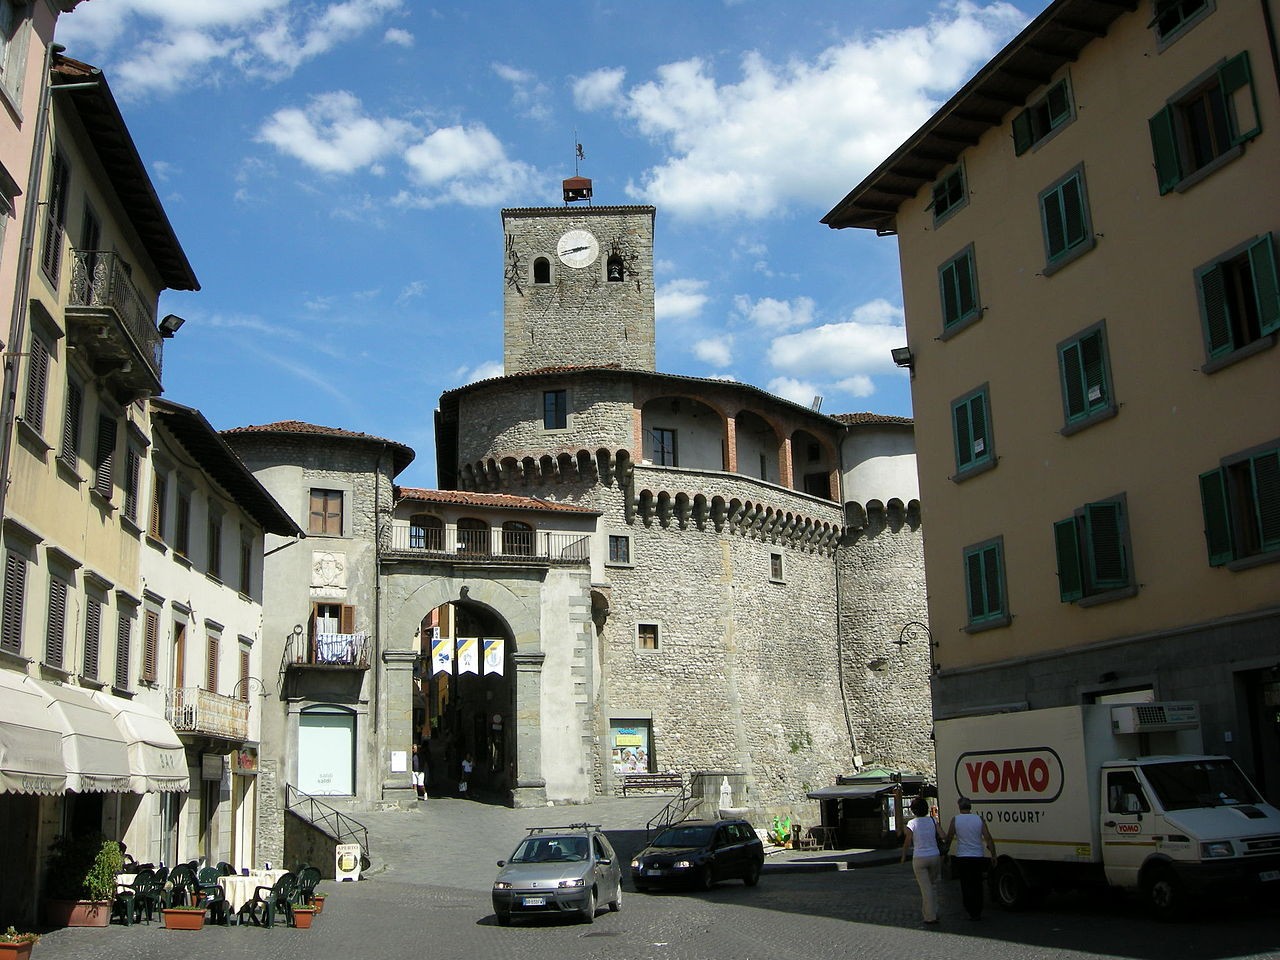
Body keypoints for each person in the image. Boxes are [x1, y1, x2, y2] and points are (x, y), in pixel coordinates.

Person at [943, 796, 997, 920]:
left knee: (966, 884)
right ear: (970, 806)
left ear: (959, 807)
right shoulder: (979, 819)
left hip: (963, 856)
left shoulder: (955, 820)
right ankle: (978, 909)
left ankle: (969, 908)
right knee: (977, 884)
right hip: (977, 855)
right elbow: (988, 837)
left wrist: (945, 853)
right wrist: (993, 854)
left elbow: (949, 837)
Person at [900, 795, 943, 926]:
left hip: (919, 857)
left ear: (913, 811)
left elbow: (907, 842)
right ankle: (932, 911)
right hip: (934, 855)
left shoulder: (912, 823)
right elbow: (943, 835)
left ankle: (930, 917)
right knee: (933, 886)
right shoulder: (933, 820)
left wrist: (903, 856)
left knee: (926, 889)